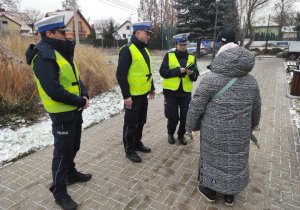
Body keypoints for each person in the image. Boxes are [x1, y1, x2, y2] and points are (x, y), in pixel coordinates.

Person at [185, 28, 261, 206]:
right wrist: (253, 124)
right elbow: (256, 107)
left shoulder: (210, 80)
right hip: (239, 133)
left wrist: (190, 127)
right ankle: (229, 194)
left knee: (212, 158)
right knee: (235, 159)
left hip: (213, 131)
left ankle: (209, 190)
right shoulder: (251, 81)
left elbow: (195, 107)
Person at [26, 15, 92, 210]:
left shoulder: (61, 51)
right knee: (62, 153)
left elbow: (74, 78)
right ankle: (59, 193)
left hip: (74, 109)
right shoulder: (44, 55)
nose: (66, 36)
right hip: (62, 113)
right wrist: (79, 100)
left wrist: (85, 93)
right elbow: (53, 90)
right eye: (62, 33)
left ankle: (71, 174)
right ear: (49, 33)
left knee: (73, 146)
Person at [116, 21, 155, 163]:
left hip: (143, 94)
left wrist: (151, 88)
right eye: (147, 34)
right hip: (132, 96)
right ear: (138, 33)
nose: (149, 37)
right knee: (131, 124)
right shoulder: (127, 50)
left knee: (141, 121)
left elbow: (147, 71)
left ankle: (137, 143)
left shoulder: (144, 49)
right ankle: (129, 149)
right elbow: (121, 75)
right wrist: (126, 96)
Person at [159, 33, 199, 145]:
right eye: (181, 44)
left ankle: (181, 135)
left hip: (185, 93)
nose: (183, 47)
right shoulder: (169, 55)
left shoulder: (192, 57)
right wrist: (177, 71)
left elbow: (195, 76)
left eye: (185, 45)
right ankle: (170, 133)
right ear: (176, 44)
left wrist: (191, 74)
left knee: (185, 117)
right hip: (171, 92)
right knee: (173, 117)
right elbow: (163, 72)